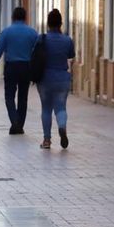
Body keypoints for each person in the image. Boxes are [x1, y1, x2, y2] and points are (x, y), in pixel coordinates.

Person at [0, 6, 40, 134]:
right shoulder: (32, 33)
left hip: (11, 67)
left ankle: (14, 122)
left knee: (9, 96)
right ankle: (20, 124)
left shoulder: (7, 32)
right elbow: (38, 51)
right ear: (25, 17)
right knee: (23, 97)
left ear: (13, 17)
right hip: (26, 67)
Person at [33, 9, 76, 150]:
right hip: (62, 79)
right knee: (61, 107)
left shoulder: (41, 39)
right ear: (60, 23)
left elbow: (34, 54)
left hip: (45, 79)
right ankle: (62, 126)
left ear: (48, 23)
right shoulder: (67, 40)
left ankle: (47, 140)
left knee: (46, 108)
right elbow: (71, 55)